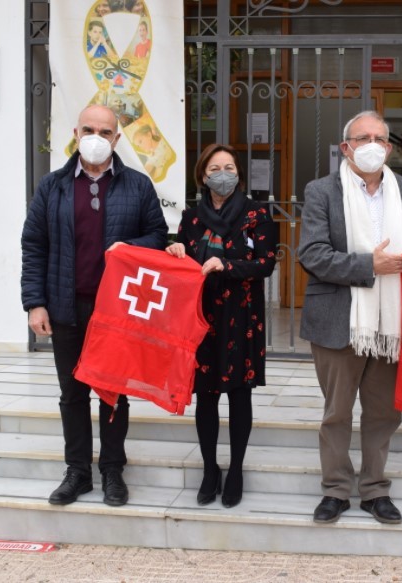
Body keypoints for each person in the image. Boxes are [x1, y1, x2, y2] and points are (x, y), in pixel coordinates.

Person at [21, 105, 168, 507]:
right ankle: (78, 472)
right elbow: (34, 246)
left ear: (117, 138)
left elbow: (157, 235)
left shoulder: (137, 185)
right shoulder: (52, 187)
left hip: (115, 312)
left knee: (113, 394)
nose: (96, 138)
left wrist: (129, 246)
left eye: (105, 132)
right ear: (75, 133)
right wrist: (35, 303)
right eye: (89, 130)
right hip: (65, 307)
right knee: (72, 394)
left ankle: (112, 471)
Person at [298, 111, 402, 525]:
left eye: (379, 138)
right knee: (337, 412)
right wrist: (369, 266)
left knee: (383, 413)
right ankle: (336, 489)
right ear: (346, 147)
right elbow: (312, 254)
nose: (371, 145)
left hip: (391, 325)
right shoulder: (321, 191)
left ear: (389, 148)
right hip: (339, 319)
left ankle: (375, 489)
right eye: (362, 138)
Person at [165, 144, 278, 509]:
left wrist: (225, 265)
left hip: (242, 316)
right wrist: (176, 251)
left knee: (239, 394)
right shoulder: (191, 218)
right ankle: (210, 469)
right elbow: (184, 259)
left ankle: (236, 470)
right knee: (206, 395)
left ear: (238, 174)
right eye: (215, 168)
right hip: (202, 316)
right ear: (203, 176)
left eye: (229, 167)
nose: (223, 174)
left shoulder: (256, 214)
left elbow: (265, 263)